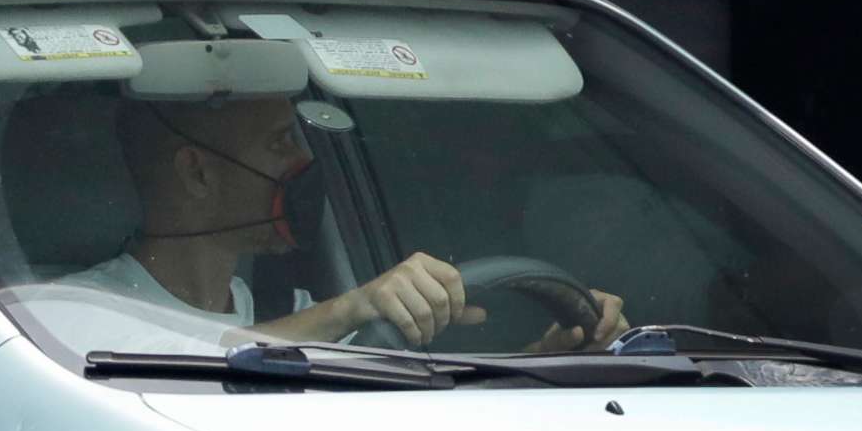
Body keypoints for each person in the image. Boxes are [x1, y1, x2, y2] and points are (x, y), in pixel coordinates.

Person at [37, 91, 629, 355]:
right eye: (278, 145)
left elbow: (401, 417)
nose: (304, 164)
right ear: (196, 174)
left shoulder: (287, 305)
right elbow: (194, 364)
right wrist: (355, 306)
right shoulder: (68, 315)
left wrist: (551, 354)